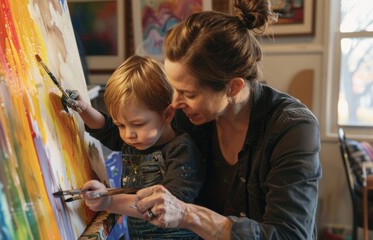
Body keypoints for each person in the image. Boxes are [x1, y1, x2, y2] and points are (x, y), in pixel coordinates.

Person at [132, 1, 322, 239]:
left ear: (233, 87)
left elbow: (289, 235)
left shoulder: (292, 129)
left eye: (189, 94)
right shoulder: (188, 116)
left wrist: (189, 215)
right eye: (174, 89)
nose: (174, 103)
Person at [63, 55, 205, 239]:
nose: (128, 134)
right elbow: (106, 128)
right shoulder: (137, 140)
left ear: (168, 114)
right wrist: (83, 108)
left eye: (138, 124)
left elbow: (165, 205)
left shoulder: (182, 151)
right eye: (121, 125)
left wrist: (108, 201)